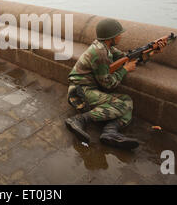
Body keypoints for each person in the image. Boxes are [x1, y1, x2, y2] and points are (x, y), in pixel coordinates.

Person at [64, 18, 165, 150]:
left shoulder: (106, 47)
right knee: (121, 105)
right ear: (110, 37)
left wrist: (152, 52)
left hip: (90, 89)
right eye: (118, 34)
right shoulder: (100, 53)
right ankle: (79, 119)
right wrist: (125, 70)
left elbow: (127, 58)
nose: (120, 36)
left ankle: (110, 132)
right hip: (80, 92)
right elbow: (109, 84)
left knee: (128, 101)